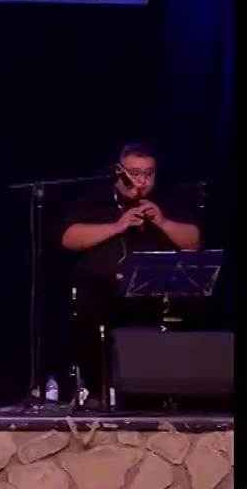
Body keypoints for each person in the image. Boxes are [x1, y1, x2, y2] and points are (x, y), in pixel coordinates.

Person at [59, 141, 201, 403]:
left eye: (148, 174)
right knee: (86, 309)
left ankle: (174, 394)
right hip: (103, 292)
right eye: (135, 173)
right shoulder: (95, 199)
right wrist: (117, 226)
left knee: (195, 307)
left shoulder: (167, 200)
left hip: (155, 291)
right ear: (119, 171)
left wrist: (162, 221)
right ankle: (96, 391)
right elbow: (69, 238)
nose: (142, 180)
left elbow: (193, 241)